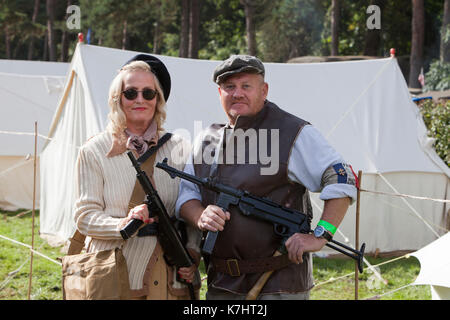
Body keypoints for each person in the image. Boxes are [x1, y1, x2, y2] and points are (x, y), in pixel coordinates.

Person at [176, 55, 358, 300]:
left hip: (279, 286)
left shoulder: (293, 132)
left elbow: (342, 178)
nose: (237, 93)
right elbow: (187, 193)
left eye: (246, 86)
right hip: (222, 285)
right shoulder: (206, 139)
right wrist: (199, 215)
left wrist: (320, 235)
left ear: (264, 90)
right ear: (220, 93)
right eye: (230, 86)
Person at [74, 54, 201, 300]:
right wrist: (122, 224)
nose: (139, 99)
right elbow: (85, 216)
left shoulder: (183, 149)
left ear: (158, 99)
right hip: (113, 273)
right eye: (130, 93)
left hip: (169, 276)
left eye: (148, 93)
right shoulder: (94, 150)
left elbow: (191, 209)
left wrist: (192, 254)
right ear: (117, 99)